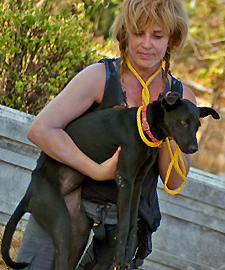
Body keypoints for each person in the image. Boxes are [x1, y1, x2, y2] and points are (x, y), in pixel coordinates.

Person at [15, 0, 196, 269]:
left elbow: (173, 181)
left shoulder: (182, 101)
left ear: (172, 39)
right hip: (67, 200)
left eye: (157, 36)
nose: (146, 43)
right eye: (138, 33)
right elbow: (41, 130)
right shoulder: (100, 77)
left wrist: (164, 125)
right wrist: (97, 170)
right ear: (125, 34)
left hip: (124, 223)